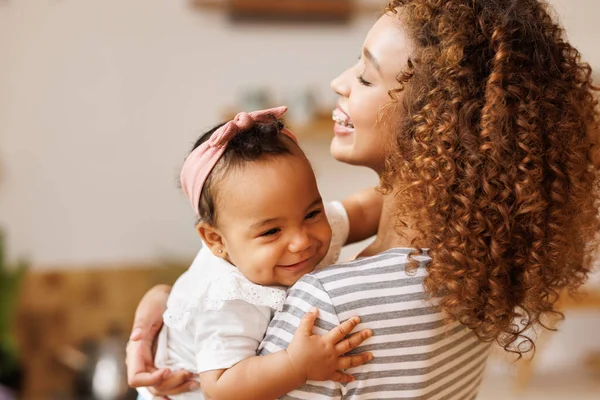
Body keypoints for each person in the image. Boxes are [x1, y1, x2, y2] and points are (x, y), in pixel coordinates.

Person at [127, 0, 600, 398]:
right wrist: (171, 303)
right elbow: (359, 210)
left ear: (435, 122)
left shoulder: (328, 305)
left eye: (367, 77)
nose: (339, 82)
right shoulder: (479, 266)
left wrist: (169, 316)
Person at [136, 106, 382, 400]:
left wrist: (415, 188)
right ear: (217, 240)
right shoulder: (226, 296)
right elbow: (222, 386)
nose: (301, 241)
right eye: (271, 232)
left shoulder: (294, 225)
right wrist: (296, 365)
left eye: (312, 213)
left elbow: (364, 210)